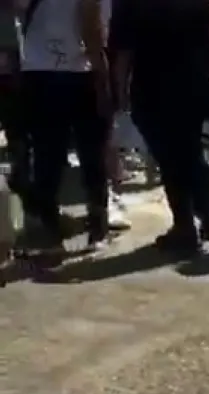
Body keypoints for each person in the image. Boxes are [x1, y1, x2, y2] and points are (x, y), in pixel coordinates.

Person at [111, 0, 209, 256]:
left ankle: (185, 225)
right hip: (192, 80)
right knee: (191, 148)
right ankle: (206, 215)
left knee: (169, 157)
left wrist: (121, 91)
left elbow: (124, 51)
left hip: (152, 86)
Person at [21, 0, 113, 249]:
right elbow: (90, 26)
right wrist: (102, 74)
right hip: (78, 72)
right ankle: (98, 223)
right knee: (92, 150)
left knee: (47, 152)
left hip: (37, 71)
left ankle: (48, 224)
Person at [0, 3, 29, 204]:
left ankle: (21, 175)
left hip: (13, 62)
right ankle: (21, 175)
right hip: (11, 61)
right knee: (17, 128)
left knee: (17, 128)